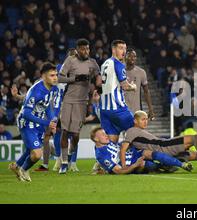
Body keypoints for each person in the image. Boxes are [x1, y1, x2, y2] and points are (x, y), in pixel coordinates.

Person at [120, 111, 197, 173]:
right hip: (165, 146)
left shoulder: (139, 131)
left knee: (196, 156)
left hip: (164, 150)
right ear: (135, 120)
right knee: (195, 138)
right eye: (143, 119)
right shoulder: (132, 131)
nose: (145, 122)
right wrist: (124, 166)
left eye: (146, 119)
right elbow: (123, 148)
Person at [9, 62, 59, 182]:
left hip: (39, 122)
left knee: (30, 149)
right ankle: (24, 169)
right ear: (43, 76)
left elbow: (46, 106)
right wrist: (47, 123)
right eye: (52, 75)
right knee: (37, 153)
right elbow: (26, 113)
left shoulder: (53, 88)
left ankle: (16, 166)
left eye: (56, 75)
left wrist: (52, 121)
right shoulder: (36, 91)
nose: (55, 77)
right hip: (27, 122)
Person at [58, 39, 100, 174]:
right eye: (83, 49)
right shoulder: (70, 60)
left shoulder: (92, 63)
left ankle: (70, 153)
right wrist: (74, 79)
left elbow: (99, 79)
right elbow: (59, 78)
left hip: (82, 102)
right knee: (64, 131)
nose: (85, 51)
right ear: (77, 50)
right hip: (69, 99)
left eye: (87, 49)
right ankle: (64, 163)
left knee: (75, 135)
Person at [91, 127, 193, 174]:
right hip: (131, 163)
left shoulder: (106, 143)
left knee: (151, 153)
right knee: (147, 164)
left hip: (134, 153)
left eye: (105, 133)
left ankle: (182, 165)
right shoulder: (101, 155)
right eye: (103, 135)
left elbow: (117, 148)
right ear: (96, 139)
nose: (106, 136)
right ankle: (164, 166)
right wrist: (135, 165)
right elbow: (118, 171)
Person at [99, 39, 137, 143]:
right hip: (117, 108)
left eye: (125, 48)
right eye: (121, 48)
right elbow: (125, 86)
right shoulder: (118, 64)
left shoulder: (105, 63)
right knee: (137, 131)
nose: (124, 51)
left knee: (111, 142)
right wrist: (133, 86)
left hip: (104, 109)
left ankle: (104, 159)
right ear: (113, 49)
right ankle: (135, 158)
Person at [124, 49, 155, 118]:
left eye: (134, 56)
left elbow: (146, 91)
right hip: (122, 111)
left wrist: (150, 109)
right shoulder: (119, 72)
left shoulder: (141, 72)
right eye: (130, 56)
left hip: (136, 111)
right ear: (124, 57)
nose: (132, 58)